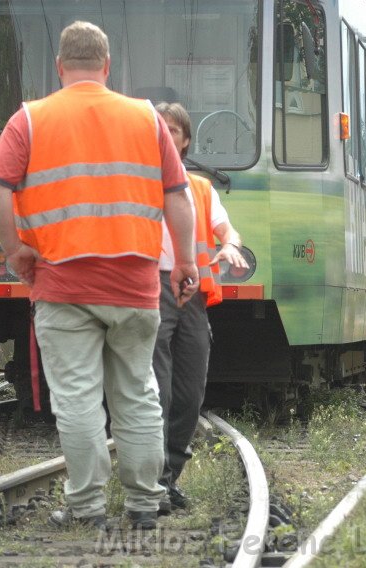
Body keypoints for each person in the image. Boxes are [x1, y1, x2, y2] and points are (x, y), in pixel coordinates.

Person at [0, 21, 198, 531]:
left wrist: (15, 250)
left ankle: (88, 508)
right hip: (135, 285)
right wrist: (185, 261)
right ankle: (146, 503)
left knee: (77, 399)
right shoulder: (146, 118)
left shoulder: (30, 119)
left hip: (62, 284)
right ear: (107, 68)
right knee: (138, 392)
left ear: (59, 67)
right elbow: (178, 194)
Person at [152, 102, 248, 513]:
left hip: (191, 297)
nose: (165, 136)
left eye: (172, 130)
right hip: (148, 290)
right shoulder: (135, 183)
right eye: (158, 129)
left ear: (186, 139)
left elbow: (229, 231)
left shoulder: (201, 189)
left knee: (189, 393)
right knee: (154, 391)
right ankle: (153, 482)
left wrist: (229, 245)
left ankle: (168, 475)